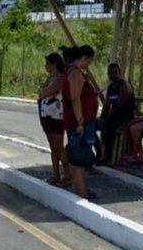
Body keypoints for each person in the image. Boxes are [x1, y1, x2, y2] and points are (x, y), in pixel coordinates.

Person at [61, 44, 98, 199]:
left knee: (78, 156)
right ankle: (80, 190)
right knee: (80, 157)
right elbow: (75, 98)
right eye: (90, 60)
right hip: (80, 121)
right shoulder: (75, 74)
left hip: (78, 120)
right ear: (85, 58)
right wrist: (80, 122)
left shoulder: (72, 71)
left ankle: (80, 189)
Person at [38, 52, 71, 187]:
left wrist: (44, 91)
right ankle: (56, 173)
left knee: (59, 146)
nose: (46, 66)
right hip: (47, 114)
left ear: (55, 64)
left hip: (56, 116)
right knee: (53, 146)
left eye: (48, 64)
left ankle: (68, 175)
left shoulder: (60, 79)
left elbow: (45, 93)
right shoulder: (50, 78)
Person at [97, 63, 135, 164]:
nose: (112, 75)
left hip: (125, 115)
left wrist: (107, 118)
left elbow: (120, 105)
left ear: (120, 73)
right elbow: (106, 105)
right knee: (94, 124)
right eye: (110, 73)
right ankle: (99, 153)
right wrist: (101, 117)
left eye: (115, 72)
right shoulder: (110, 87)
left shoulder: (124, 85)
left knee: (107, 127)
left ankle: (108, 156)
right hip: (114, 115)